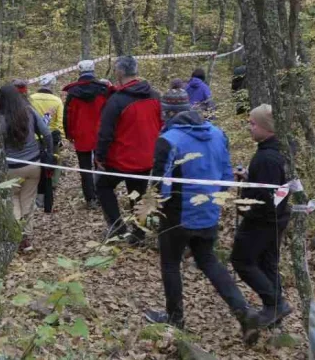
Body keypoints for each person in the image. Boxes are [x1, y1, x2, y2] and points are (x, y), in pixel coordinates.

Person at [144, 88, 266, 345]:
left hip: (177, 213)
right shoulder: (217, 133)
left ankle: (175, 318)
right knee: (209, 261)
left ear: (167, 113)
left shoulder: (168, 139)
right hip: (208, 209)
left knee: (170, 264)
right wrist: (216, 202)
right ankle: (244, 312)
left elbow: (159, 181)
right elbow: (225, 174)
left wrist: (152, 209)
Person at [231, 103, 292, 327]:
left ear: (267, 128)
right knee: (267, 265)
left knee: (241, 260)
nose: (250, 127)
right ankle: (274, 313)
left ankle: (275, 303)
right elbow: (272, 187)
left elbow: (268, 196)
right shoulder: (271, 152)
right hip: (273, 219)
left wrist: (250, 210)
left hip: (263, 221)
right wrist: (248, 177)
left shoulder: (267, 158)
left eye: (253, 124)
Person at [95, 55, 162, 244]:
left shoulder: (117, 100)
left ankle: (117, 228)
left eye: (116, 69)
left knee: (103, 186)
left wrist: (99, 156)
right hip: (146, 158)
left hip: (120, 159)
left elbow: (105, 132)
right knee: (137, 194)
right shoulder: (155, 95)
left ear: (121, 72)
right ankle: (138, 234)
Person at [0, 83, 52, 253]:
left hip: (10, 167)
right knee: (28, 200)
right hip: (34, 165)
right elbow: (47, 133)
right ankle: (26, 237)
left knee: (13, 200)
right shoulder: (29, 112)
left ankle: (16, 236)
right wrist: (49, 153)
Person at [63, 60, 109, 209]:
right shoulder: (103, 89)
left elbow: (68, 115)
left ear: (79, 71)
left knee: (85, 168)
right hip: (100, 134)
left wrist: (69, 134)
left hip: (81, 134)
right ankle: (102, 196)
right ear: (93, 70)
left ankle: (90, 199)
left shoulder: (73, 93)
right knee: (100, 165)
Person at [29, 75, 65, 213]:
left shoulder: (31, 98)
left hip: (34, 136)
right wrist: (61, 137)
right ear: (52, 85)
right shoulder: (57, 100)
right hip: (51, 136)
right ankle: (52, 184)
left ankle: (37, 186)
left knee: (36, 161)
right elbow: (60, 120)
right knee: (54, 160)